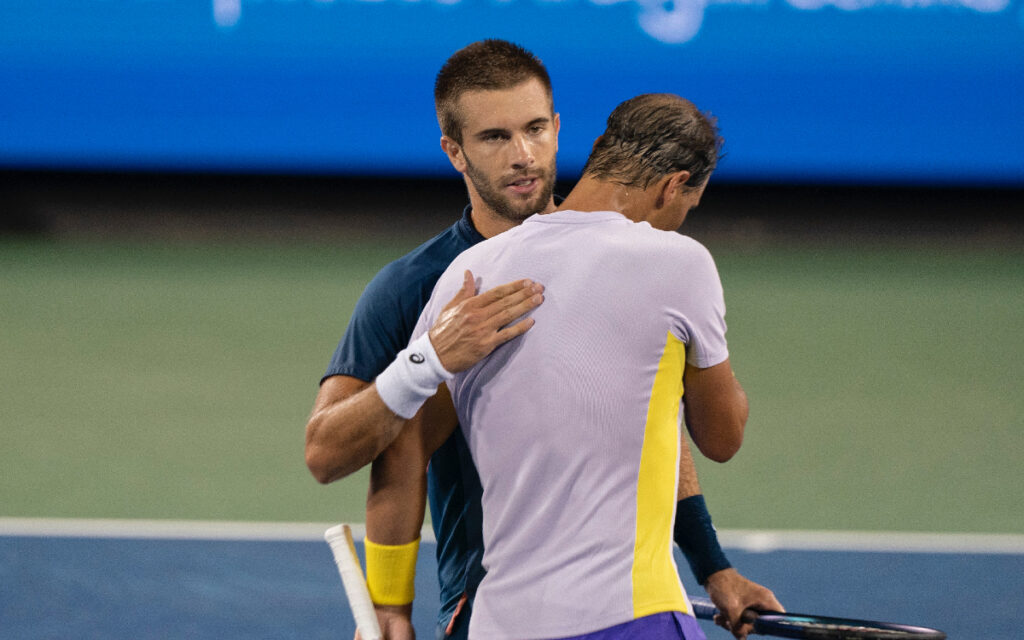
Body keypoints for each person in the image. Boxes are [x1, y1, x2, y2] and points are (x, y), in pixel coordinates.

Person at [304, 40, 779, 640]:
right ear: (455, 152)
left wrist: (713, 567)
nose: (524, 155)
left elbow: (645, 420)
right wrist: (390, 605)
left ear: (557, 127)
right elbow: (343, 452)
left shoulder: (636, 258)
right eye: (495, 138)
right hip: (481, 599)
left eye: (534, 129)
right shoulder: (418, 284)